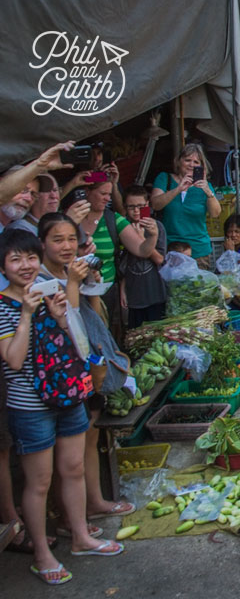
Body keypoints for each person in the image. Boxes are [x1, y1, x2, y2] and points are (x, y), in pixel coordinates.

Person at [0, 229, 122, 585]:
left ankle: (82, 536)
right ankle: (42, 553)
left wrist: (57, 317)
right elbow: (14, 359)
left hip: (67, 394)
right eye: (15, 259)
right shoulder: (4, 306)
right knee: (39, 483)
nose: (25, 266)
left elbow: (76, 342)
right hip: (30, 406)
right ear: (3, 266)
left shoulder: (47, 290)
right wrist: (26, 314)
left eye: (30, 258)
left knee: (72, 468)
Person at [36, 213, 136, 540]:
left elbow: (93, 311)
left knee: (90, 436)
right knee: (65, 458)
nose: (66, 247)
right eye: (57, 240)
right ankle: (69, 517)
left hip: (87, 364)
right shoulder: (40, 280)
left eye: (71, 240)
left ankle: (95, 501)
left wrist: (88, 280)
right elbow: (66, 322)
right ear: (42, 244)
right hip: (62, 375)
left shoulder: (68, 271)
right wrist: (74, 284)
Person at [78, 177, 159, 325]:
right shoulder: (71, 218)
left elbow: (142, 250)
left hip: (106, 291)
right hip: (76, 290)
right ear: (87, 191)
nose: (107, 198)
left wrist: (152, 236)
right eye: (103, 193)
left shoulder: (113, 219)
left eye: (109, 194)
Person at [150, 143, 221, 268]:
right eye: (187, 160)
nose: (191, 165)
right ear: (178, 162)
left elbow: (215, 213)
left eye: (196, 162)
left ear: (202, 166)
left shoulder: (205, 186)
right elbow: (155, 205)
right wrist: (178, 189)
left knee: (197, 286)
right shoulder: (164, 178)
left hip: (198, 251)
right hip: (171, 248)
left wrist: (208, 191)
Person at [119, 186, 166, 328]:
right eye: (131, 207)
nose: (136, 211)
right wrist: (122, 290)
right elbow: (122, 264)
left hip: (155, 292)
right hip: (133, 295)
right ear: (125, 208)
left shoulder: (156, 226)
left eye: (140, 206)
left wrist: (142, 239)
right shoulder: (123, 228)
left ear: (148, 206)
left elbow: (160, 259)